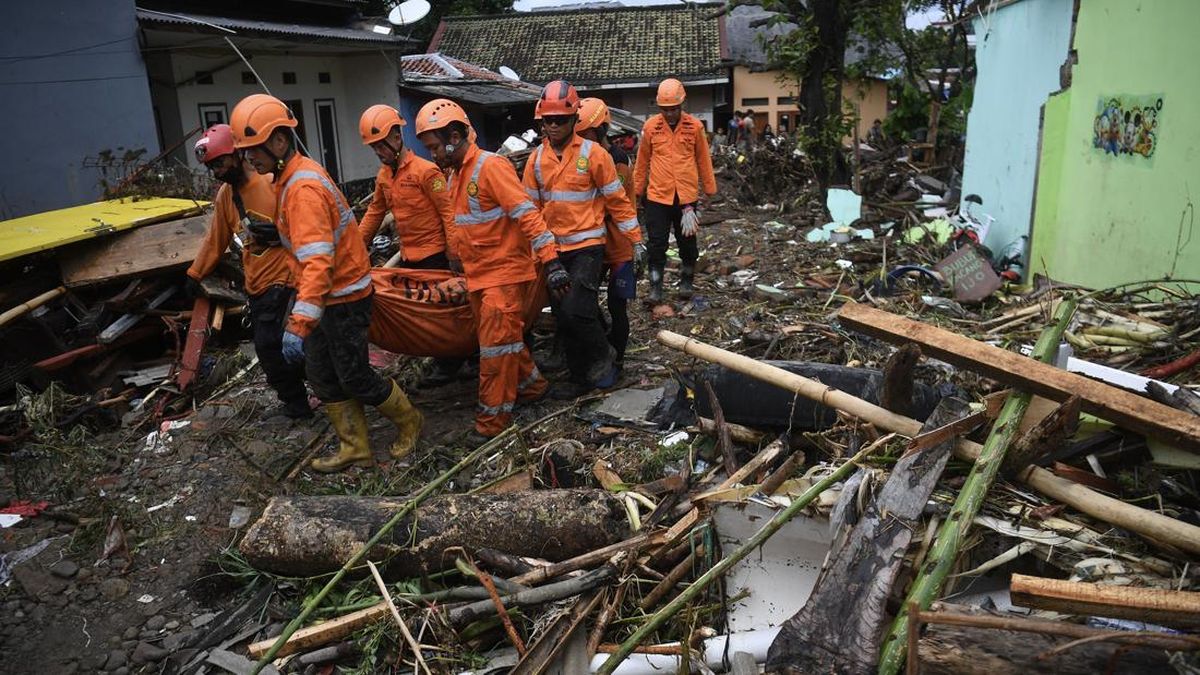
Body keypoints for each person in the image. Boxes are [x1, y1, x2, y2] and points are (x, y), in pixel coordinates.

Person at [229, 94, 422, 472]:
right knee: (321, 373)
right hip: (323, 298)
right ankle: (355, 447)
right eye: (246, 151)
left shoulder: (301, 189)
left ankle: (410, 421)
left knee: (355, 375)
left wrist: (298, 324)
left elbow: (318, 261)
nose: (249, 158)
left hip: (343, 298)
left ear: (279, 141)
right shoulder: (289, 179)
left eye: (254, 149)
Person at [413, 98, 568, 441]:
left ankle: (491, 423)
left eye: (436, 147)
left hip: (503, 278)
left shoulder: (490, 167)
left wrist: (551, 260)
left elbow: (527, 214)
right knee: (502, 343)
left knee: (494, 353)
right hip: (479, 276)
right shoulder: (455, 175)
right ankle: (532, 386)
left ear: (455, 135)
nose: (433, 155)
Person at [522, 82, 643, 398]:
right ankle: (580, 375)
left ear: (574, 119)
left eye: (560, 119)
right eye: (547, 120)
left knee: (578, 308)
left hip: (588, 247)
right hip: (553, 250)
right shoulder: (535, 161)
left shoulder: (595, 155)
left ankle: (605, 358)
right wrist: (545, 255)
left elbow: (618, 201)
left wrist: (636, 241)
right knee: (562, 316)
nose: (553, 126)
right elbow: (530, 212)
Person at [188, 124, 310, 420]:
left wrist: (280, 233)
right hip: (258, 286)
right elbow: (215, 240)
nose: (217, 171)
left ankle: (304, 402)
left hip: (289, 279)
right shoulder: (225, 197)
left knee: (276, 346)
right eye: (211, 167)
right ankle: (299, 400)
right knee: (271, 350)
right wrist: (194, 275)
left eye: (220, 163)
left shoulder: (271, 182)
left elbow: (305, 228)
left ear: (236, 153)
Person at [356, 104, 463, 388]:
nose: (378, 152)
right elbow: (374, 215)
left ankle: (451, 362)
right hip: (410, 259)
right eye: (373, 148)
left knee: (443, 315)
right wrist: (352, 248)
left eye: (381, 145)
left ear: (396, 137)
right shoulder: (384, 177)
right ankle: (444, 357)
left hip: (436, 258)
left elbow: (448, 214)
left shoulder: (426, 172)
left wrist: (454, 255)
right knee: (423, 318)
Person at [633, 78, 718, 303]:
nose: (670, 114)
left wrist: (709, 189)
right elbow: (642, 161)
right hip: (657, 197)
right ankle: (655, 287)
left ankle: (687, 281)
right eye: (665, 110)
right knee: (656, 244)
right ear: (659, 108)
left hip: (686, 199)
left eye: (674, 109)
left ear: (682, 106)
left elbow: (703, 159)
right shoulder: (651, 127)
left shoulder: (695, 127)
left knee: (687, 244)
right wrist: (636, 192)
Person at [574, 97, 642, 373]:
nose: (581, 139)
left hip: (618, 244)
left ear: (600, 129)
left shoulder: (617, 160)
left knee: (617, 304)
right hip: (593, 242)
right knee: (584, 302)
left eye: (585, 133)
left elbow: (618, 202)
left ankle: (619, 359)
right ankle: (604, 345)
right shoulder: (582, 158)